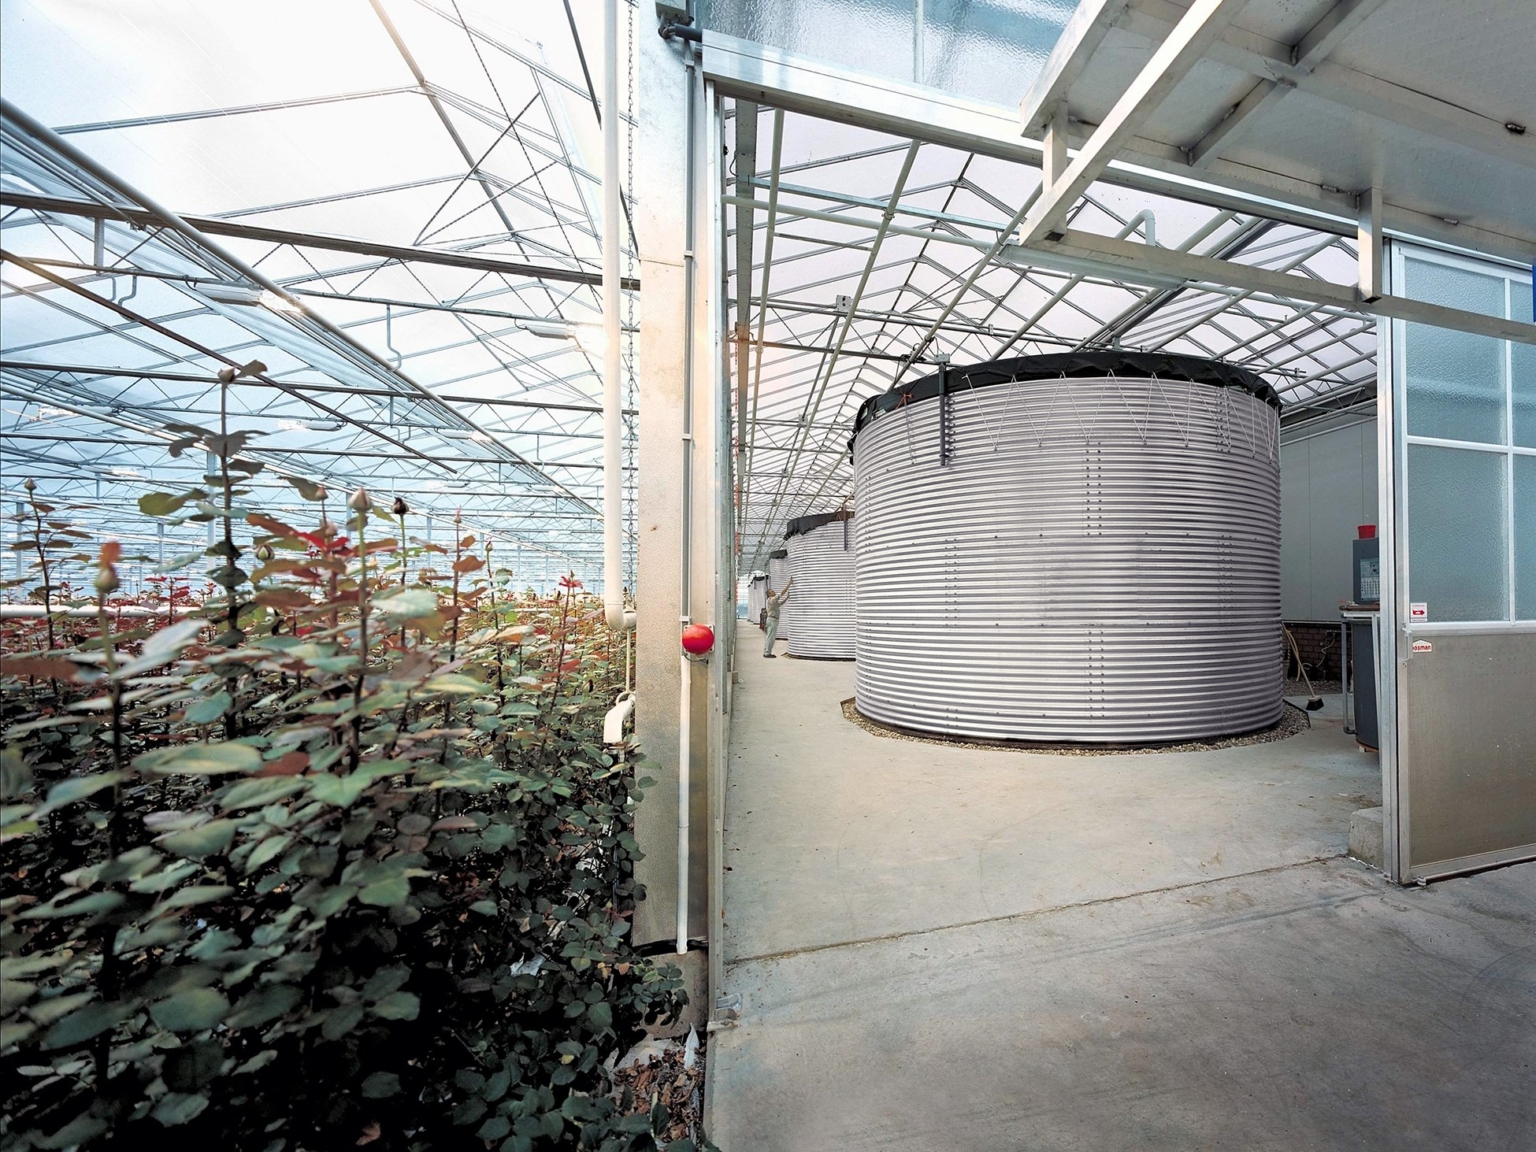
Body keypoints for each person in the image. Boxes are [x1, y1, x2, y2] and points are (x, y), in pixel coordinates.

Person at [763, 578, 792, 658]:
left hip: (771, 619)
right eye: (771, 591)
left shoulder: (770, 600)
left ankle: (766, 651)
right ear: (769, 594)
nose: (773, 592)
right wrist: (789, 584)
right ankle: (767, 653)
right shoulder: (772, 599)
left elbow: (780, 604)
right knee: (771, 637)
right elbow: (781, 594)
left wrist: (787, 598)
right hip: (773, 620)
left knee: (769, 636)